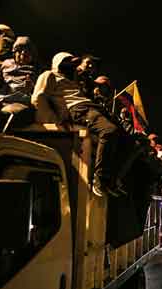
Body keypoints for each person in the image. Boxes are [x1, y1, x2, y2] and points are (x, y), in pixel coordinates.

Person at [31, 52, 120, 197]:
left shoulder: (73, 81)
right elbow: (38, 98)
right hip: (78, 111)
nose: (71, 65)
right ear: (58, 62)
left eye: (73, 63)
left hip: (88, 107)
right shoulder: (49, 75)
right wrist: (56, 120)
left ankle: (112, 180)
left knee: (124, 138)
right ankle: (100, 180)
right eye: (68, 62)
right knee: (109, 130)